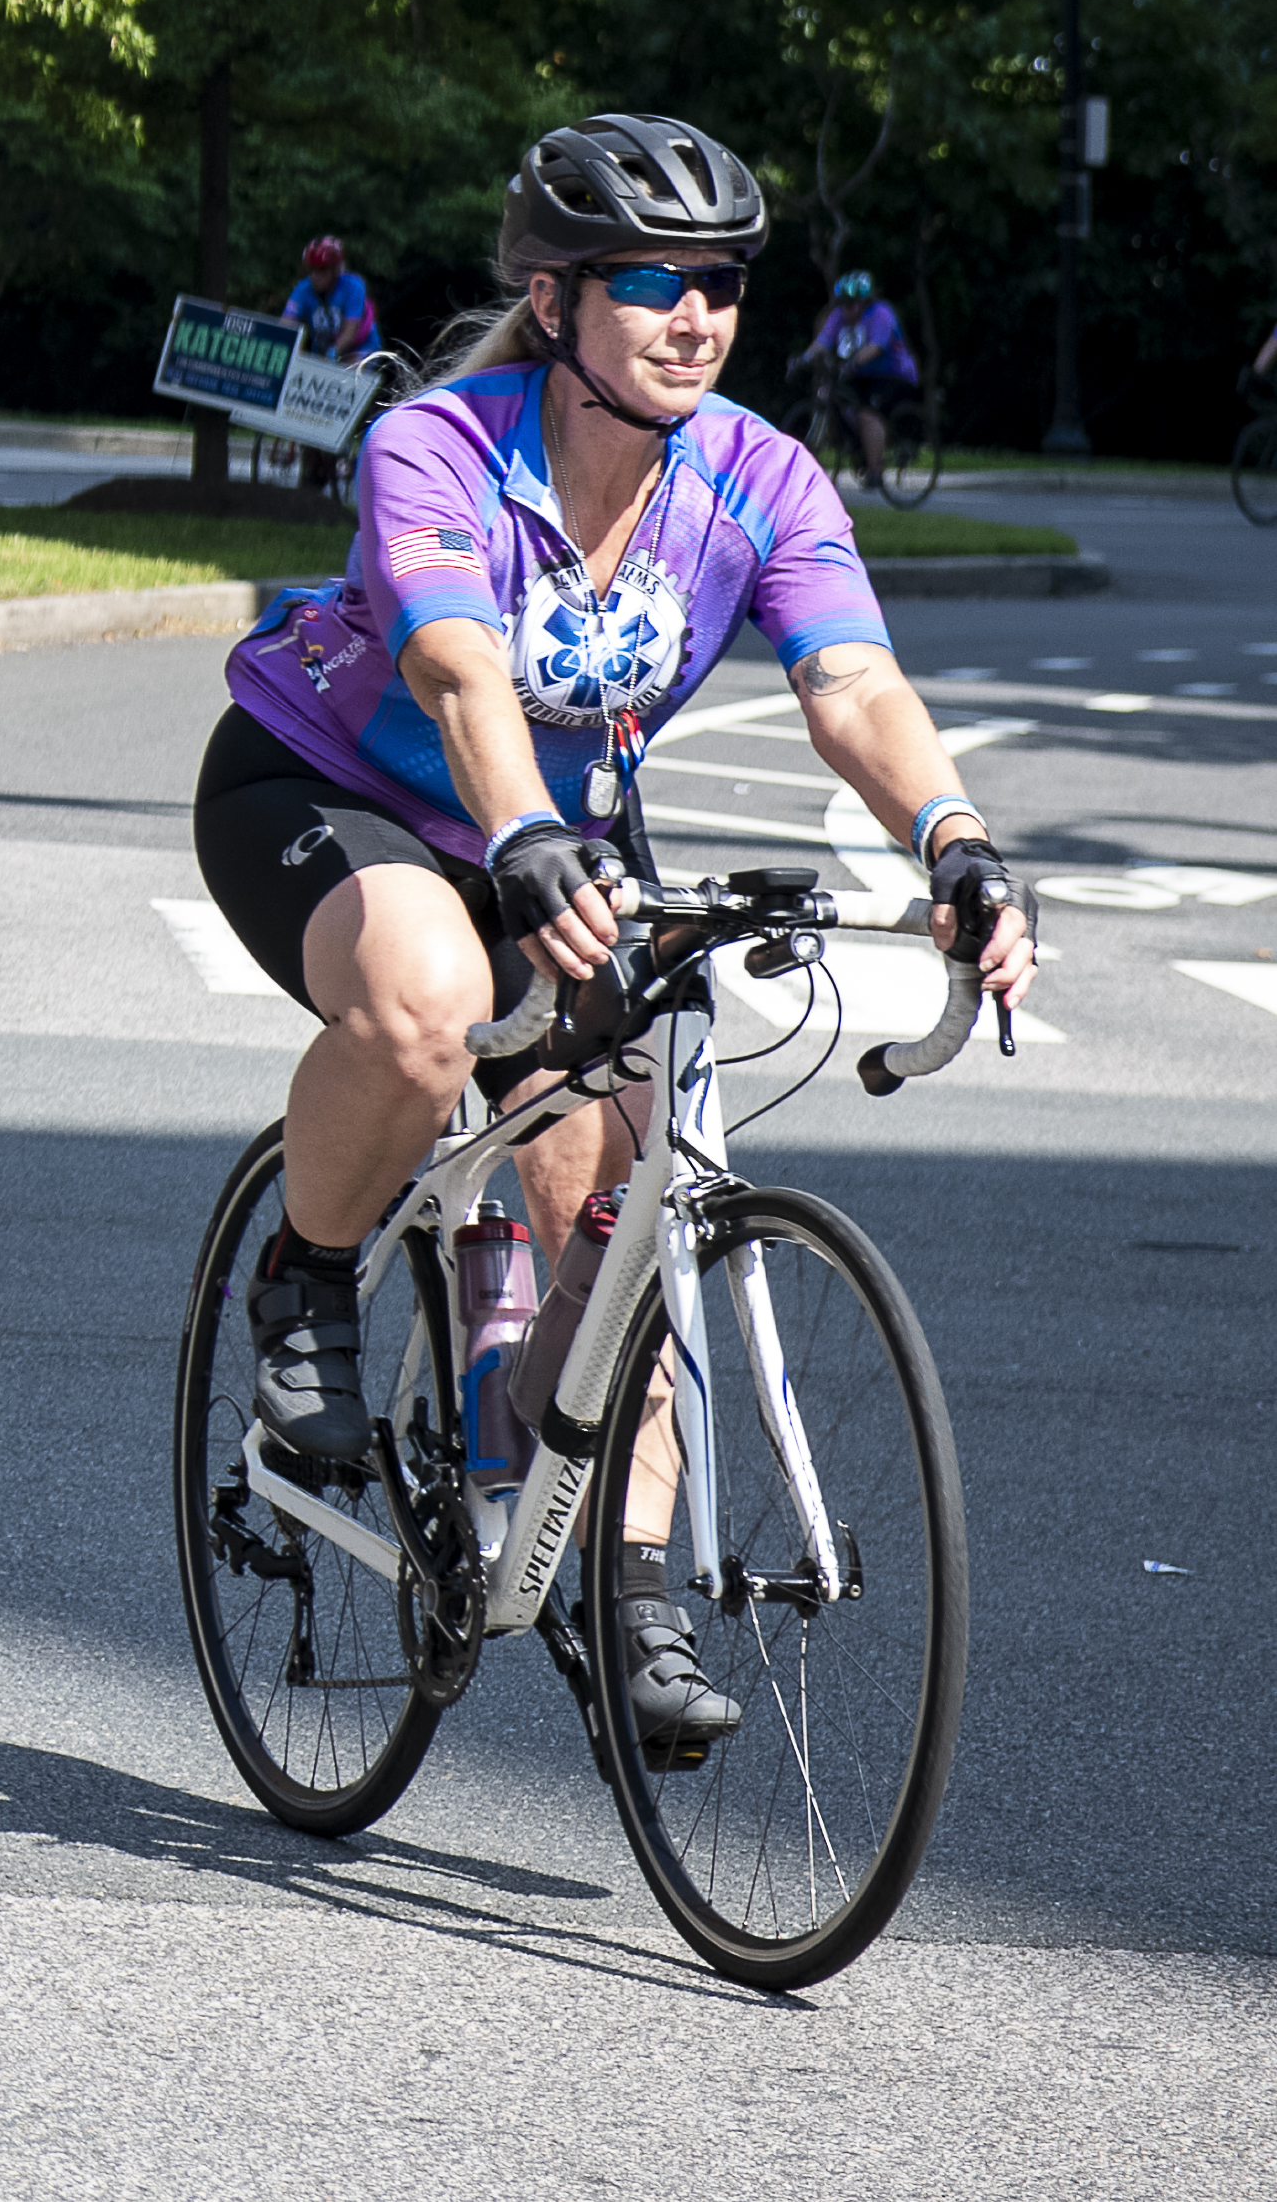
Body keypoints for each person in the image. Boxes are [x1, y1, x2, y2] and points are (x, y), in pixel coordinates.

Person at [190, 114, 1034, 1750]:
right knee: (427, 998)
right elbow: (456, 669)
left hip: (556, 829)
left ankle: (619, 1579)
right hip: (331, 781)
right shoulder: (438, 445)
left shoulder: (757, 476)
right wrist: (516, 835)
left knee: (632, 1194)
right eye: (648, 279)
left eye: (718, 282)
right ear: (555, 300)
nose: (691, 313)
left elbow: (850, 685)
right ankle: (302, 1275)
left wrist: (954, 841)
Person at [796, 269, 918, 488]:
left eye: (851, 304)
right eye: (843, 303)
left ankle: (875, 471)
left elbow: (876, 346)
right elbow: (823, 342)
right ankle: (859, 447)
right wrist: (803, 358)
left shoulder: (880, 313)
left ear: (864, 302)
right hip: (861, 373)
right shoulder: (839, 316)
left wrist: (851, 361)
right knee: (836, 397)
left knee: (868, 414)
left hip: (893, 373)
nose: (847, 309)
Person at [283, 234, 380, 491]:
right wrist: (287, 347)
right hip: (323, 353)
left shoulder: (353, 286)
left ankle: (350, 445)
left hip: (359, 349)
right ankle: (314, 466)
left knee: (347, 378)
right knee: (309, 396)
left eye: (323, 271)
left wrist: (334, 352)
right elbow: (287, 325)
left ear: (336, 271)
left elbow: (350, 330)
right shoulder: (303, 289)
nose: (316, 277)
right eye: (313, 271)